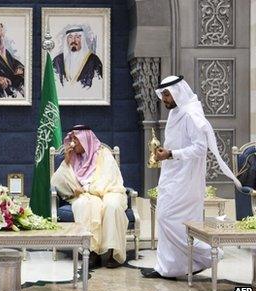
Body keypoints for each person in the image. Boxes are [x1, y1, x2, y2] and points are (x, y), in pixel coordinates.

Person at [141, 75, 241, 279]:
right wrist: (166, 152)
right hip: (172, 174)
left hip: (186, 179)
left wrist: (171, 154)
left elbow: (200, 148)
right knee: (166, 219)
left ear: (178, 92)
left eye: (167, 94)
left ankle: (208, 254)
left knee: (169, 219)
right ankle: (169, 268)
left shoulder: (190, 114)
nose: (164, 99)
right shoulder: (176, 113)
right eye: (163, 95)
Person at [51, 125, 128, 268]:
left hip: (110, 191)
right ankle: (92, 251)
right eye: (72, 139)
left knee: (112, 206)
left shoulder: (104, 154)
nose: (72, 143)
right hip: (87, 196)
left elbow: (109, 179)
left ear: (85, 140)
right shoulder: (73, 158)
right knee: (86, 205)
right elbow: (57, 181)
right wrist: (67, 161)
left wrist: (86, 188)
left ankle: (113, 252)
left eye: (76, 139)